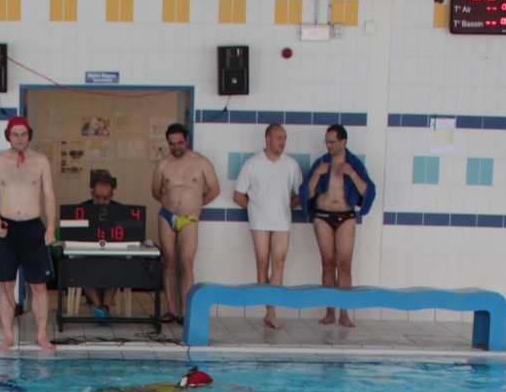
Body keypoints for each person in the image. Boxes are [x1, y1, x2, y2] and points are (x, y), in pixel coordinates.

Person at [0, 115, 58, 352]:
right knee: (6, 286)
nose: (19, 138)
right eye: (15, 134)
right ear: (8, 136)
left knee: (39, 286)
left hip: (33, 227)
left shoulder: (41, 161)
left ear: (29, 135)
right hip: (6, 228)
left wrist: (50, 227)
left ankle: (42, 335)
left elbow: (49, 196)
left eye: (23, 134)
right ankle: (8, 336)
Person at [232, 123, 305, 330]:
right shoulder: (253, 164)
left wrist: (285, 207)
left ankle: (271, 310)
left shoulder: (291, 165)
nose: (283, 142)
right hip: (259, 222)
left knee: (279, 263)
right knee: (263, 263)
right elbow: (238, 195)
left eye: (285, 138)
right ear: (268, 139)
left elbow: (300, 194)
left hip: (282, 221)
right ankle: (270, 310)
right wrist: (256, 209)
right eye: (279, 138)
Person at [303, 123, 377, 327]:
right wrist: (317, 174)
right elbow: (307, 193)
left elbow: (368, 191)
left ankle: (344, 312)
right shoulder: (321, 163)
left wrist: (352, 174)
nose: (328, 145)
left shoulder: (354, 163)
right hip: (322, 216)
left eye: (332, 141)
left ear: (343, 141)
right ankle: (330, 312)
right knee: (328, 263)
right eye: (326, 141)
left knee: (344, 265)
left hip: (346, 217)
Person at [150, 122, 219, 324]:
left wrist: (195, 204)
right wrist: (171, 203)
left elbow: (215, 189)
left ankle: (185, 311)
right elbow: (156, 192)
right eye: (172, 144)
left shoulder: (201, 163)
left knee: (186, 264)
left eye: (180, 142)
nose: (176, 147)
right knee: (169, 261)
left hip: (190, 219)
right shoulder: (163, 165)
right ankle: (171, 310)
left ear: (187, 140)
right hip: (167, 216)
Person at [79, 170, 125, 316]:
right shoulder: (81, 209)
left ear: (111, 196)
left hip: (111, 255)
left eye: (105, 198)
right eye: (97, 197)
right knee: (79, 263)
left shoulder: (119, 210)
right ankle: (102, 308)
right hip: (88, 254)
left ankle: (103, 307)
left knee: (119, 262)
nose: (101, 202)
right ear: (92, 194)